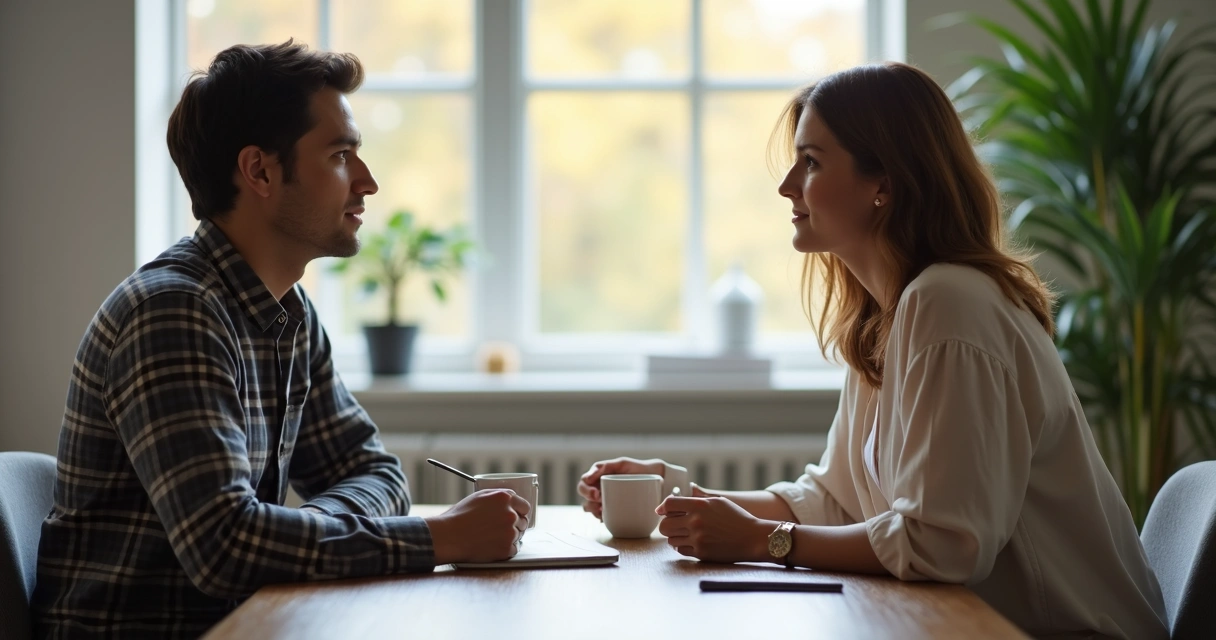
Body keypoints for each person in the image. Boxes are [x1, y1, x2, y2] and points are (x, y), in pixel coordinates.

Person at [578, 62, 1168, 640]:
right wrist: (680, 499)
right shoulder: (890, 313)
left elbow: (943, 546)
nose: (787, 185)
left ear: (883, 183)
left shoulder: (949, 301)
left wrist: (760, 541)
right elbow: (834, 502)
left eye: (811, 161)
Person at [32, 41, 529, 638]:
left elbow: (373, 470)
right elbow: (226, 548)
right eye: (340, 155)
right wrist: (437, 537)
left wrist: (313, 530)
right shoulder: (173, 314)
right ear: (260, 171)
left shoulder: (288, 312)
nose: (368, 182)